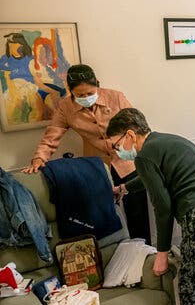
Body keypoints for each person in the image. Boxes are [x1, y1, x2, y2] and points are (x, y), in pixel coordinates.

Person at [106, 108, 195, 305]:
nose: (117, 151)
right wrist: (124, 188)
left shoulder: (144, 155)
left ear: (130, 135)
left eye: (116, 145)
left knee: (190, 287)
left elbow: (163, 208)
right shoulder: (167, 141)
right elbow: (150, 177)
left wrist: (161, 254)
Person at [22, 64, 151, 243]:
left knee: (137, 214)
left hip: (128, 163)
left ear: (97, 84)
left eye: (90, 93)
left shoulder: (116, 97)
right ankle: (116, 253)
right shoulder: (65, 107)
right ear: (71, 91)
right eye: (80, 95)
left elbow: (136, 127)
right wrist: (39, 158)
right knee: (105, 216)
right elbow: (52, 135)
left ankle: (143, 252)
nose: (85, 98)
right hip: (98, 168)